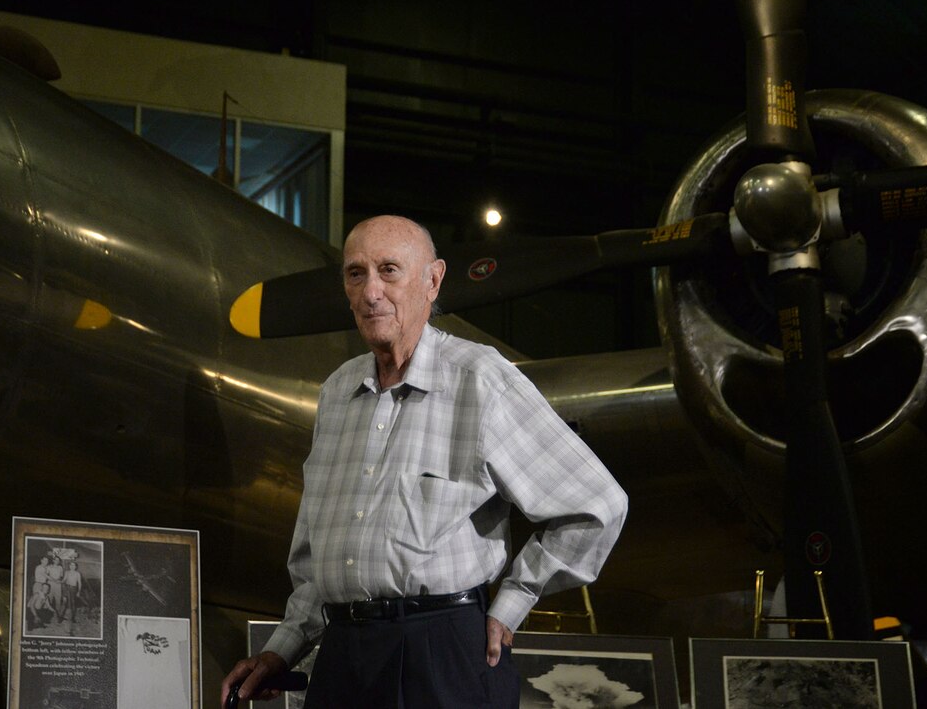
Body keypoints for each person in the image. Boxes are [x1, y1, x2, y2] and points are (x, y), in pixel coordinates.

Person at [222, 215, 628, 708]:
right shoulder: (335, 394)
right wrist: (280, 651)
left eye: (389, 270)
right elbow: (317, 560)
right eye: (355, 273)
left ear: (432, 280)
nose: (371, 291)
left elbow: (597, 504)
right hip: (343, 656)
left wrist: (512, 602)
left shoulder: (480, 378)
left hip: (443, 655)